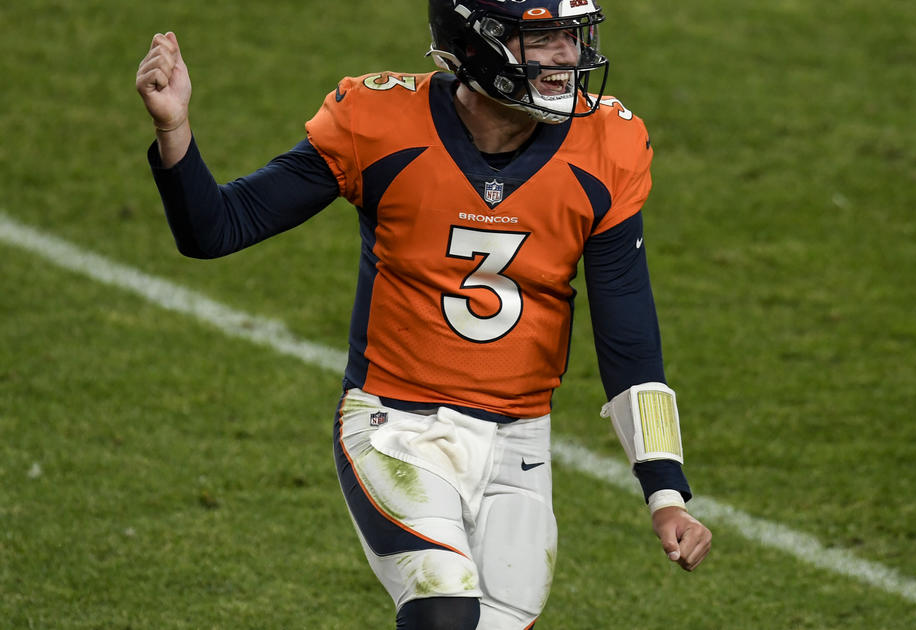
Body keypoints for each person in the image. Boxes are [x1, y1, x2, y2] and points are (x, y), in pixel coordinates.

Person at [136, 1, 711, 628]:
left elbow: (628, 334)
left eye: (570, 38)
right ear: (474, 43)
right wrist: (175, 130)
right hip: (396, 428)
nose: (565, 59)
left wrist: (665, 494)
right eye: (540, 39)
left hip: (518, 446)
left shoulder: (609, 143)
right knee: (443, 606)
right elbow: (218, 227)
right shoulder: (380, 120)